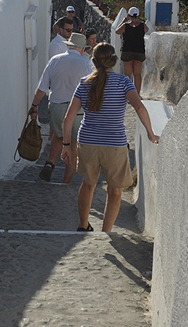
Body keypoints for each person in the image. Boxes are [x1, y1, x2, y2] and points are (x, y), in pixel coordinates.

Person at [60, 43, 159, 232]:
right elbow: (139, 107)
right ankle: (105, 232)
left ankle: (83, 225)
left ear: (94, 61)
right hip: (114, 144)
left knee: (88, 184)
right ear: (114, 60)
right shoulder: (123, 82)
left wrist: (66, 145)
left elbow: (68, 118)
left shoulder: (84, 83)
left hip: (87, 141)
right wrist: (150, 132)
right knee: (115, 190)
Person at [28, 33, 94, 182]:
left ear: (69, 46)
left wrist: (34, 106)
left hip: (56, 107)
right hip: (77, 111)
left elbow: (41, 89)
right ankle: (66, 182)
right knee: (73, 144)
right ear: (82, 49)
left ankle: (50, 162)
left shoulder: (54, 60)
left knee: (59, 136)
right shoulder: (87, 64)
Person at [115, 6, 148, 96]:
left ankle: (128, 94)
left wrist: (123, 21)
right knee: (137, 74)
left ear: (129, 15)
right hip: (139, 51)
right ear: (138, 15)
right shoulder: (143, 26)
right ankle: (137, 95)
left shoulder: (125, 26)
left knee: (127, 75)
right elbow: (147, 30)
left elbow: (117, 31)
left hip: (127, 51)